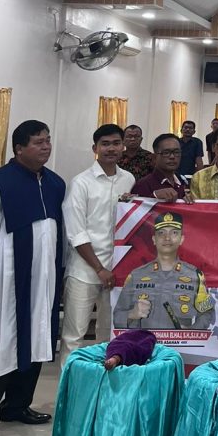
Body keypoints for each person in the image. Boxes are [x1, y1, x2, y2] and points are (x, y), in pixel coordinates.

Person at [0, 121, 65, 436]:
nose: (46, 147)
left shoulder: (55, 183)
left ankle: (16, 406)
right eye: (38, 142)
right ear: (18, 149)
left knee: (37, 339)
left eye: (48, 141)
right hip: (7, 282)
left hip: (43, 279)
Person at [61, 125, 136, 364]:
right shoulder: (81, 183)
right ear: (95, 148)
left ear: (123, 146)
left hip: (117, 272)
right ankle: (71, 387)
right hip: (84, 271)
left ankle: (101, 384)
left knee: (108, 336)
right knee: (74, 337)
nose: (111, 148)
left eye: (116, 143)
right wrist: (99, 269)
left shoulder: (129, 180)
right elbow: (76, 232)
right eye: (105, 144)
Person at [113, 211, 215, 330]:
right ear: (154, 239)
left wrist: (192, 332)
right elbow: (117, 317)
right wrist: (132, 314)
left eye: (174, 233)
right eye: (161, 233)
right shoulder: (136, 275)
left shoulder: (195, 275)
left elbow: (207, 311)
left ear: (181, 239)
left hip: (180, 342)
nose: (167, 238)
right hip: (144, 340)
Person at [132, 134, 194, 202]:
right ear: (154, 157)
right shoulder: (143, 185)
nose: (172, 157)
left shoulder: (183, 181)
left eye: (176, 152)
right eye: (166, 153)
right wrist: (154, 196)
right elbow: (136, 207)